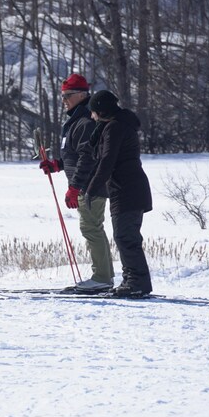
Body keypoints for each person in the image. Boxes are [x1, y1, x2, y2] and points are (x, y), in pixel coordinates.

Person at [39, 74, 115, 293]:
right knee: (92, 228)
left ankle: (101, 277)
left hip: (90, 186)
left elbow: (88, 158)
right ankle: (105, 276)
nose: (64, 100)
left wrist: (74, 187)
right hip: (84, 184)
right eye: (62, 96)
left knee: (91, 228)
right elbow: (75, 156)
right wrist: (57, 165)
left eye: (68, 95)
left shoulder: (84, 121)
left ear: (82, 95)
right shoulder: (76, 120)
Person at [83, 90, 153, 297]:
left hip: (128, 188)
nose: (92, 116)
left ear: (102, 111)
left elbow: (107, 160)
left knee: (126, 237)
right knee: (125, 236)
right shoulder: (115, 125)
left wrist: (92, 188)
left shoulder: (115, 127)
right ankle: (133, 280)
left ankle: (136, 282)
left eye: (94, 112)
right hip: (127, 187)